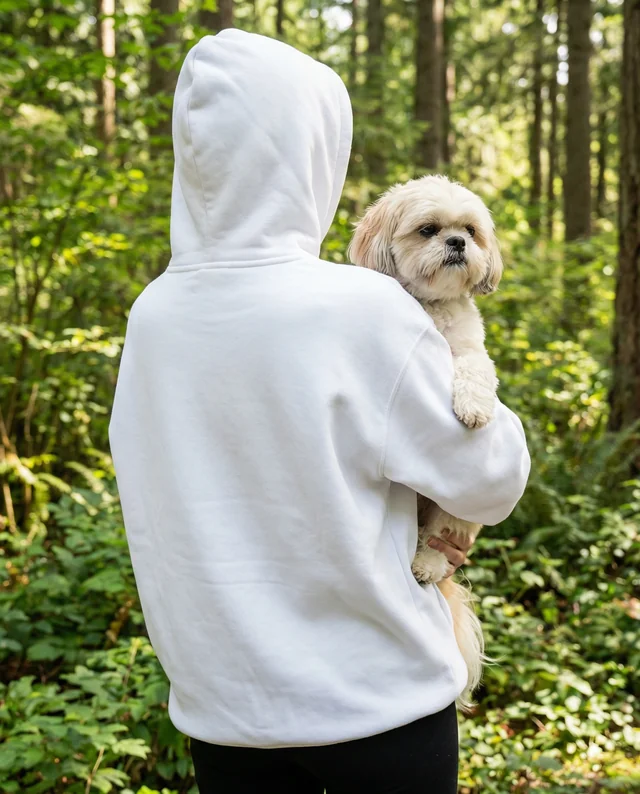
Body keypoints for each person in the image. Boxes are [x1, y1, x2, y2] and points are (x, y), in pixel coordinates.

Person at [108, 29, 530, 794]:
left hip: (223, 714)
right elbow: (489, 482)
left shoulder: (154, 316)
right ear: (310, 151)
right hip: (379, 706)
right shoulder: (359, 307)